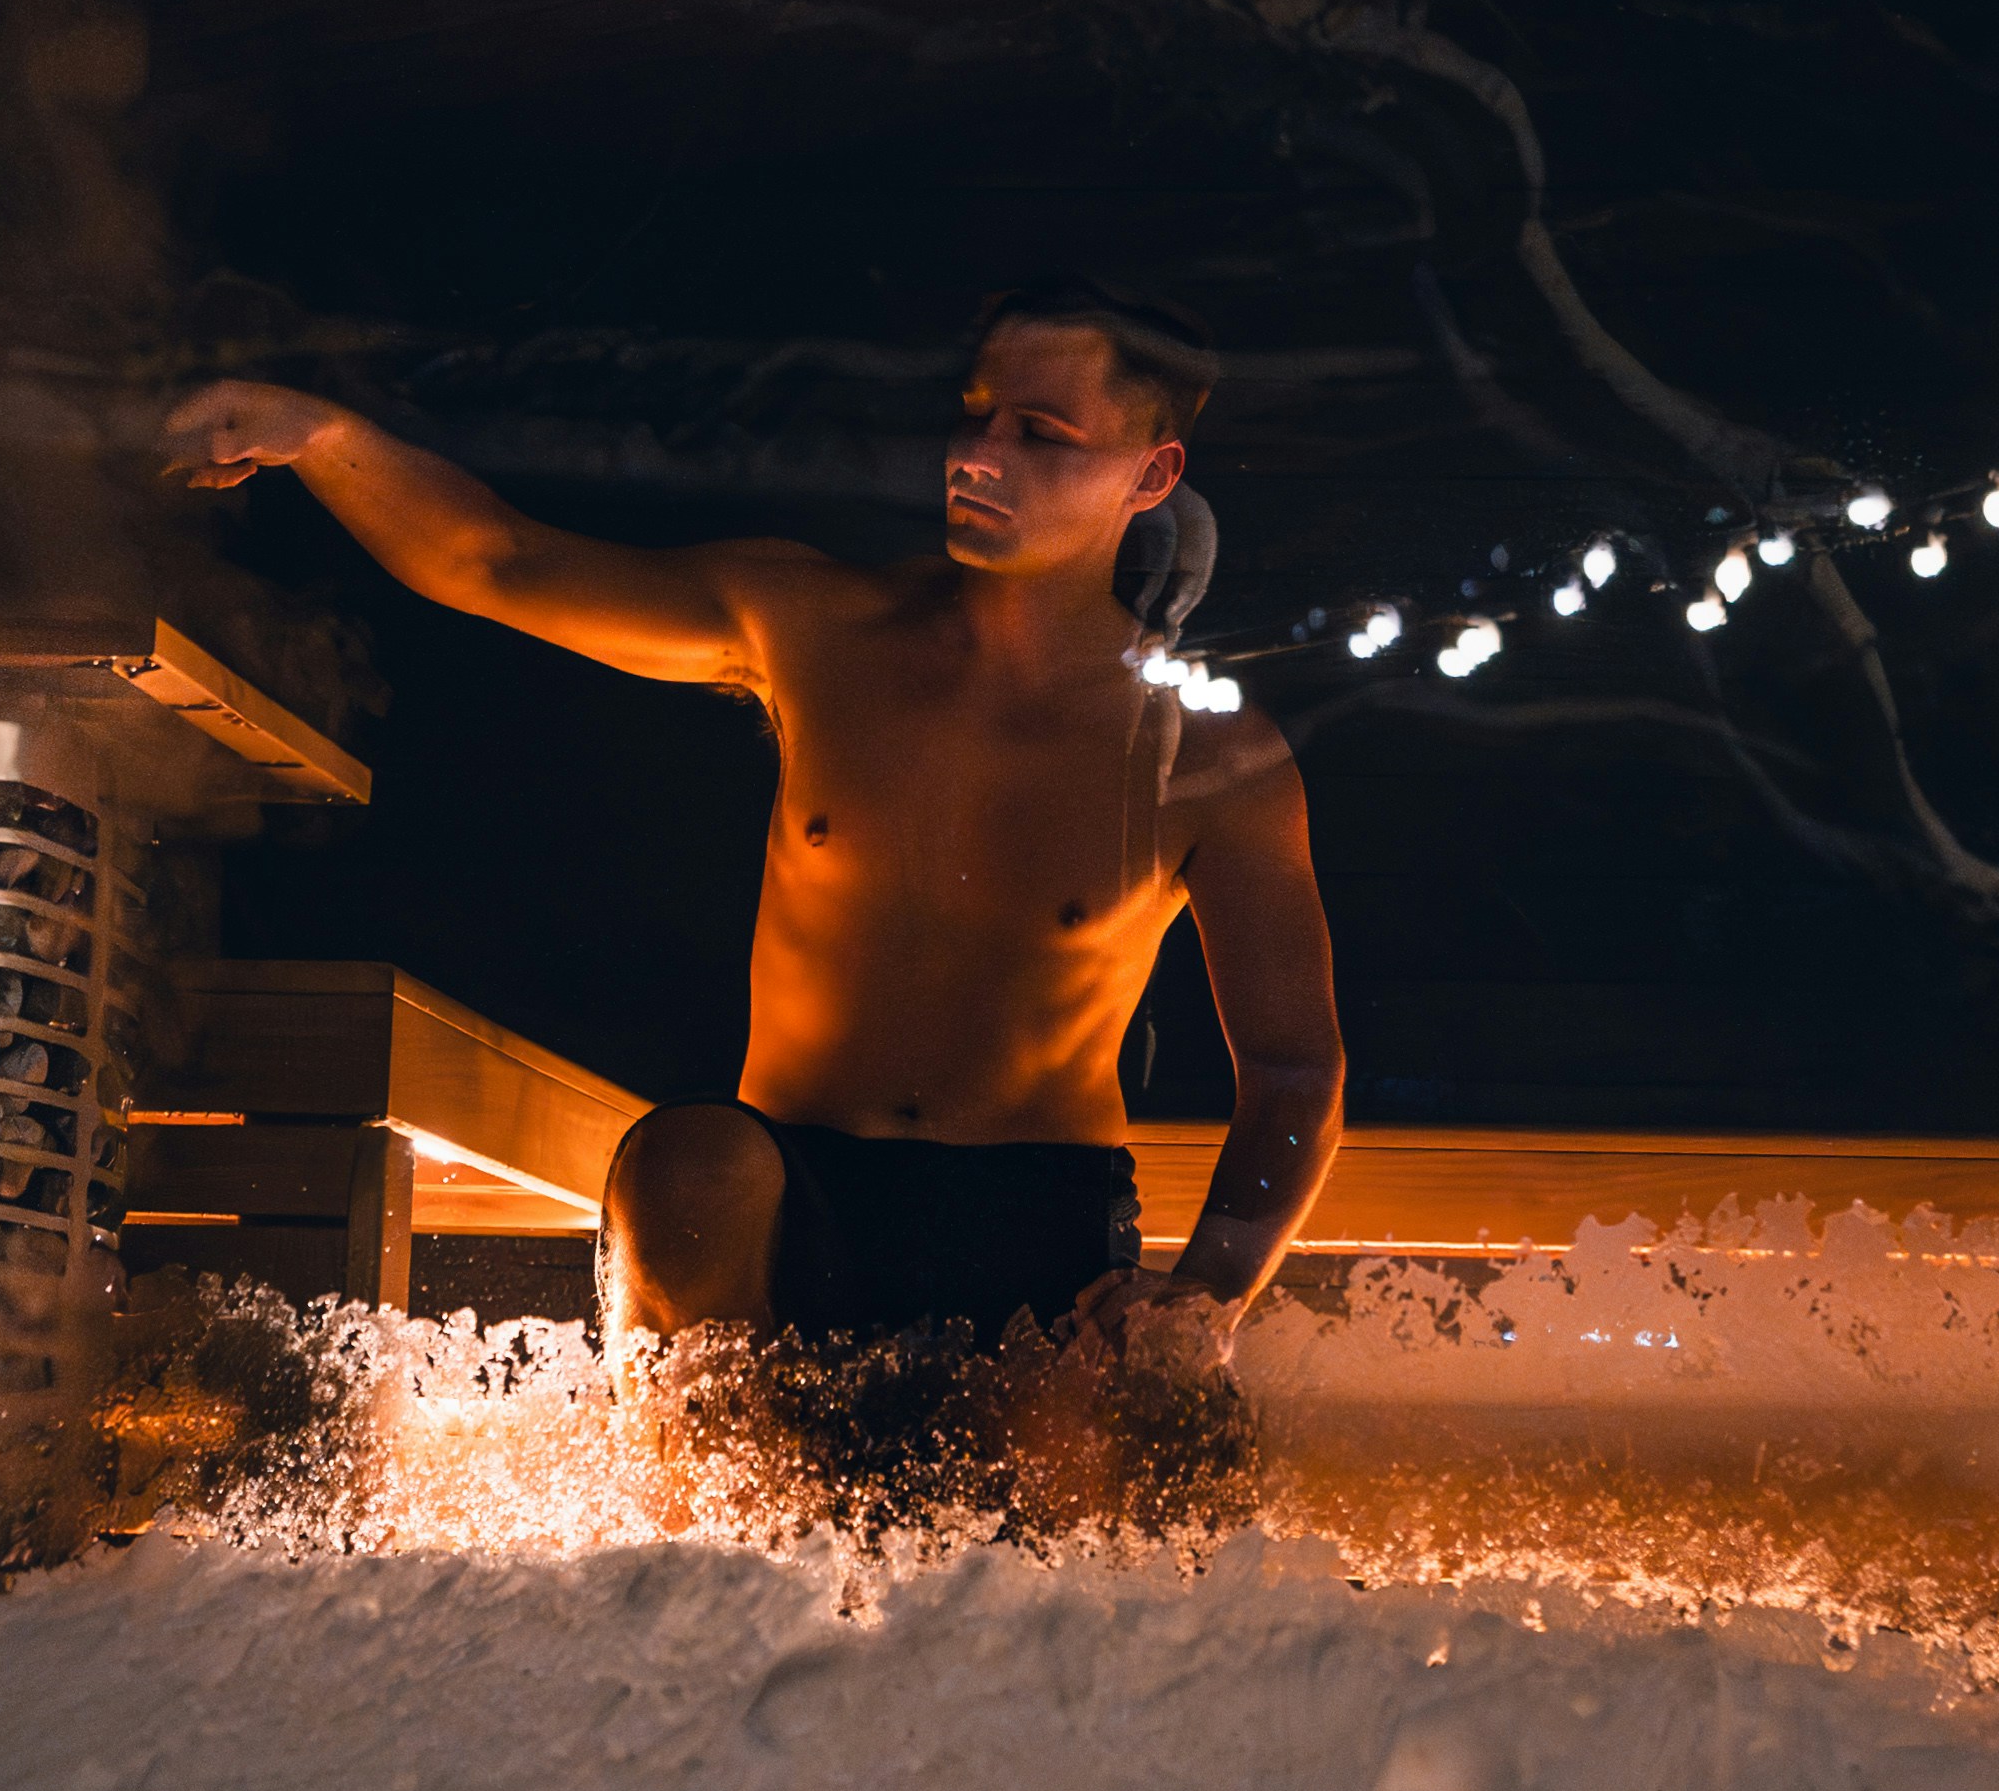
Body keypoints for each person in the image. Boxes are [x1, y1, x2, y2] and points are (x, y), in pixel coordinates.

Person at [164, 285, 1343, 1410]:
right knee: (682, 1161)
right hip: (792, 1192)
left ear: (1151, 473)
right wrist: (315, 436)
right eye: (975, 412)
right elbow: (499, 562)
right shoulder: (813, 624)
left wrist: (1204, 1294)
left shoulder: (1206, 755)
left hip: (1036, 1217)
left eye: (1040, 432)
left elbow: (1294, 1070)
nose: (977, 451)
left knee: (1116, 1428)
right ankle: (702, 1561)